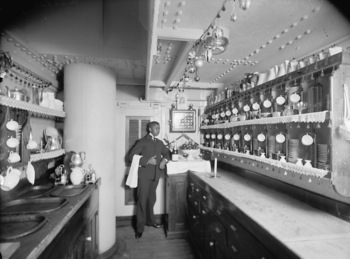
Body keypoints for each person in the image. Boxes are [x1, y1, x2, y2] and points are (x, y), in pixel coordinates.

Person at [128, 121, 170, 239]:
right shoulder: (142, 141)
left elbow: (167, 154)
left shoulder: (160, 143)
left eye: (159, 128)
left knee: (151, 200)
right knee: (142, 201)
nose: (158, 130)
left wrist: (163, 161)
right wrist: (146, 161)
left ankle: (151, 221)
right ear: (150, 129)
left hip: (156, 176)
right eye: (156, 128)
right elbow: (130, 156)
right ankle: (139, 228)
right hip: (144, 176)